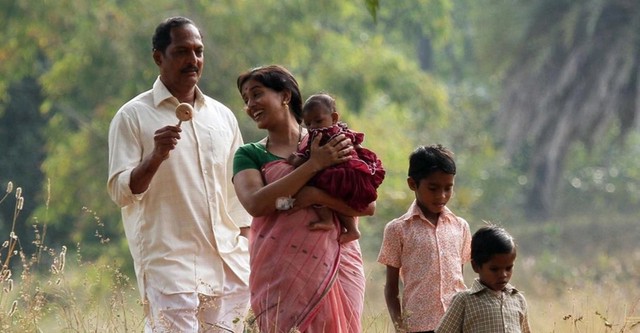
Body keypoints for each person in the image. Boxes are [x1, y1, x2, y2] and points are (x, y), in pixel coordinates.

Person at [107, 16, 251, 333]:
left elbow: (238, 191)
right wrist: (156, 157)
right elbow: (120, 191)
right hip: (168, 263)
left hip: (227, 263)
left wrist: (244, 246)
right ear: (159, 57)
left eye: (198, 51)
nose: (193, 60)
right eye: (182, 51)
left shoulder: (222, 116)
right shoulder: (132, 116)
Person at [232, 65, 374, 333]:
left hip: (337, 266)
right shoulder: (249, 154)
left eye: (257, 94)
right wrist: (313, 167)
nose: (250, 105)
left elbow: (367, 205)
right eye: (246, 100)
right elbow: (257, 205)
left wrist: (316, 196)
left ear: (285, 96)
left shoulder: (329, 141)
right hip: (280, 273)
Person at [377, 144, 472, 333]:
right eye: (433, 188)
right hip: (419, 325)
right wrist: (400, 327)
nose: (442, 195)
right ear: (412, 184)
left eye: (448, 188)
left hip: (458, 323)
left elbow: (457, 278)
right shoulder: (398, 229)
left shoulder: (460, 226)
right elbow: (391, 289)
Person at [287, 93, 385, 243]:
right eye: (308, 124)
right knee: (336, 198)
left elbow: (311, 160)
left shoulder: (321, 136)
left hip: (338, 175)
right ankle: (352, 229)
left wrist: (296, 160)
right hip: (352, 174)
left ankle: (327, 220)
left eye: (318, 121)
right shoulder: (342, 130)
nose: (313, 127)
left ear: (334, 118)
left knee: (315, 184)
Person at [436, 225, 531, 333]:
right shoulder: (464, 301)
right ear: (476, 266)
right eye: (494, 269)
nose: (503, 274)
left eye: (508, 268)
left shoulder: (518, 300)